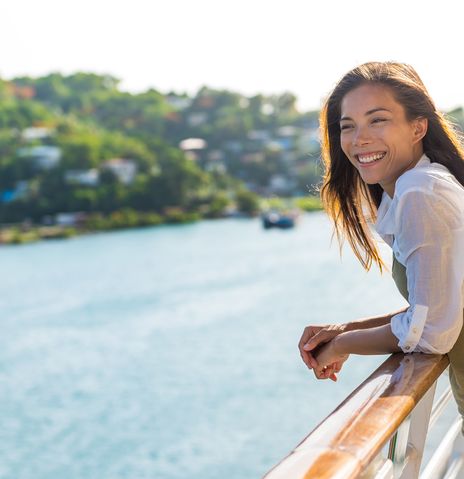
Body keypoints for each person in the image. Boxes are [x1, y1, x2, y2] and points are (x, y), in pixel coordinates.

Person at [298, 62, 464, 414]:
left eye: (378, 120)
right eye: (348, 126)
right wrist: (346, 328)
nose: (360, 138)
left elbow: (433, 332)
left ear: (418, 127)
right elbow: (440, 304)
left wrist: (343, 343)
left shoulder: (421, 191)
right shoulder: (422, 186)